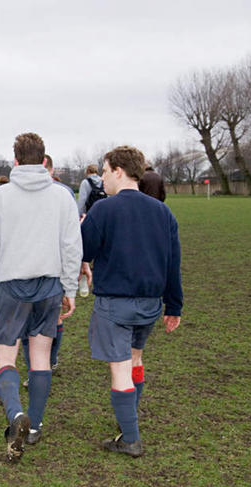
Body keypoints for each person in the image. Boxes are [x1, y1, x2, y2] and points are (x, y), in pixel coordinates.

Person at [0, 132, 82, 462]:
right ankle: (34, 425)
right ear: (44, 160)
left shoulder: (1, 196)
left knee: (5, 357)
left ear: (15, 161)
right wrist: (69, 289)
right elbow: (71, 248)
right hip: (49, 286)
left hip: (12, 286)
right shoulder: (63, 197)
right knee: (40, 357)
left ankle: (15, 416)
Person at [81, 145, 182, 458]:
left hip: (115, 304)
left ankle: (130, 439)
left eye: (106, 171)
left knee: (121, 369)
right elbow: (172, 263)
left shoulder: (104, 209)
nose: (103, 178)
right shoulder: (163, 212)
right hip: (150, 304)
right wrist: (174, 305)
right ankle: (128, 423)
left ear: (119, 171)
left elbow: (84, 251)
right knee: (135, 361)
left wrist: (84, 225)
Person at [21, 153, 77, 383]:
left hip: (50, 266)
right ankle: (40, 367)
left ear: (50, 170)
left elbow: (71, 235)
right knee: (37, 319)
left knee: (52, 318)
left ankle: (48, 362)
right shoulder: (20, 193)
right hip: (33, 265)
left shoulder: (64, 194)